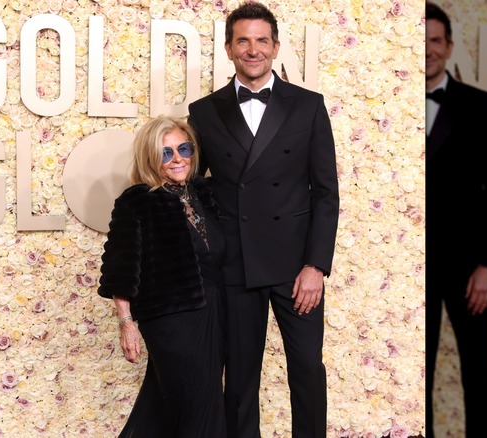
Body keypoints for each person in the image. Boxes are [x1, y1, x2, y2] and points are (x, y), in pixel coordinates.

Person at [187, 2, 339, 437]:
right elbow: (194, 189)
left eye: (261, 41)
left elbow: (326, 193)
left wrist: (316, 266)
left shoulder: (308, 106)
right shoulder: (204, 111)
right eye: (243, 41)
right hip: (236, 265)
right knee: (239, 378)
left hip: (297, 267)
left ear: (275, 47)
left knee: (308, 370)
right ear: (228, 48)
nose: (252, 50)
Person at [97, 116, 226, 437]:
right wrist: (127, 324)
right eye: (166, 152)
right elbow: (120, 270)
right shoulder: (138, 201)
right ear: (150, 158)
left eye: (184, 148)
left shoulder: (204, 193)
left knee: (163, 406)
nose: (178, 158)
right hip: (172, 322)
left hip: (215, 314)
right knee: (198, 406)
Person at [424, 3, 487, 437]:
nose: (427, 50)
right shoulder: (385, 107)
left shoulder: (481, 106)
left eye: (435, 41)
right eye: (418, 41)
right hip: (411, 270)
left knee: (479, 368)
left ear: (449, 46)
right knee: (414, 373)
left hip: (469, 268)